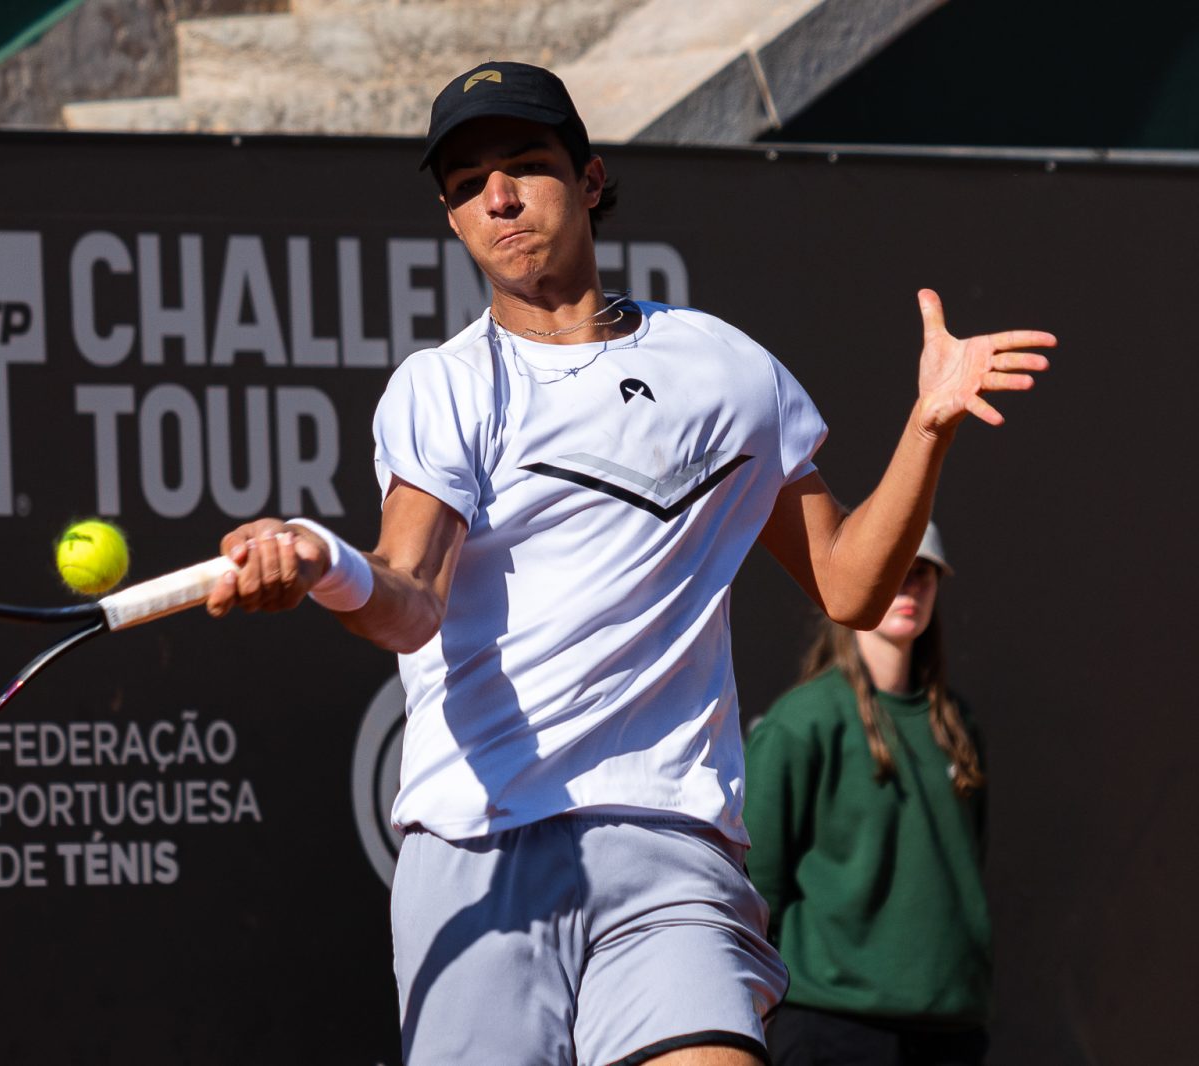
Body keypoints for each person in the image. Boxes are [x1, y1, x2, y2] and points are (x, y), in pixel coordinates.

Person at [204, 60, 1053, 1066]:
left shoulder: (725, 369)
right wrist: (324, 562)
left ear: (592, 178)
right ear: (453, 218)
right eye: (468, 186)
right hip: (481, 848)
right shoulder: (443, 387)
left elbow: (849, 584)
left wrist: (926, 427)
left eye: (525, 165)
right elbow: (408, 599)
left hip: (671, 845)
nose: (499, 199)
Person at [744, 525, 992, 1066]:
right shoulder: (801, 724)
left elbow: (970, 856)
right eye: (894, 568)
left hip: (949, 1025)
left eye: (922, 572)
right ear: (859, 574)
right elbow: (756, 888)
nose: (909, 587)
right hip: (831, 1024)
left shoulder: (957, 723)